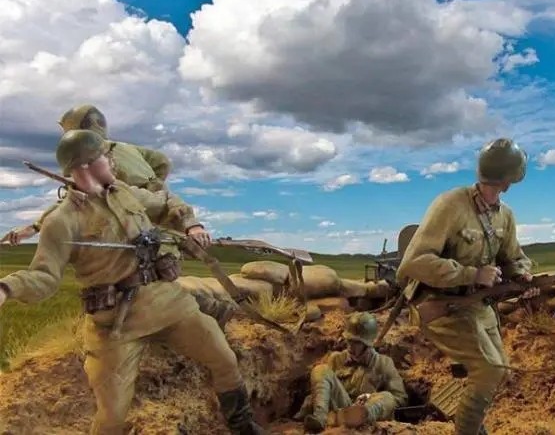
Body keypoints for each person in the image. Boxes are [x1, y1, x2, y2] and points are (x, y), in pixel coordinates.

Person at [0, 129, 264, 435]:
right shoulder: (61, 222)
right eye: (104, 156)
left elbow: (164, 202)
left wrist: (192, 225)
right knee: (112, 416)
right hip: (116, 325)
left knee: (224, 359)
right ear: (86, 166)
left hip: (167, 303)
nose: (111, 161)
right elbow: (43, 276)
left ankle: (243, 426)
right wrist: (6, 288)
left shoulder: (123, 192)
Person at [2, 104, 238, 328]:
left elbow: (77, 201)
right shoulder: (125, 148)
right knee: (155, 276)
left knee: (145, 276)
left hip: (141, 221)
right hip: (156, 212)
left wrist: (34, 227)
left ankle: (206, 314)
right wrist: (154, 185)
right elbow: (162, 162)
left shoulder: (93, 157)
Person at [395, 137, 537, 435]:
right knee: (489, 371)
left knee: (499, 371)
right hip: (443, 306)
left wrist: (523, 275)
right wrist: (472, 275)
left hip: (479, 306)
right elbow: (414, 262)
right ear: (509, 180)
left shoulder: (505, 215)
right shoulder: (450, 205)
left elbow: (514, 257)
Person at [297, 312, 408, 432]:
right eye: (348, 340)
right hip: (340, 406)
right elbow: (323, 389)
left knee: (388, 397)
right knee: (321, 369)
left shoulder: (384, 363)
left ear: (367, 344)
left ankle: (358, 417)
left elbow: (400, 398)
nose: (350, 346)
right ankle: (320, 418)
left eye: (356, 342)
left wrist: (370, 397)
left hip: (366, 410)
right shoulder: (336, 359)